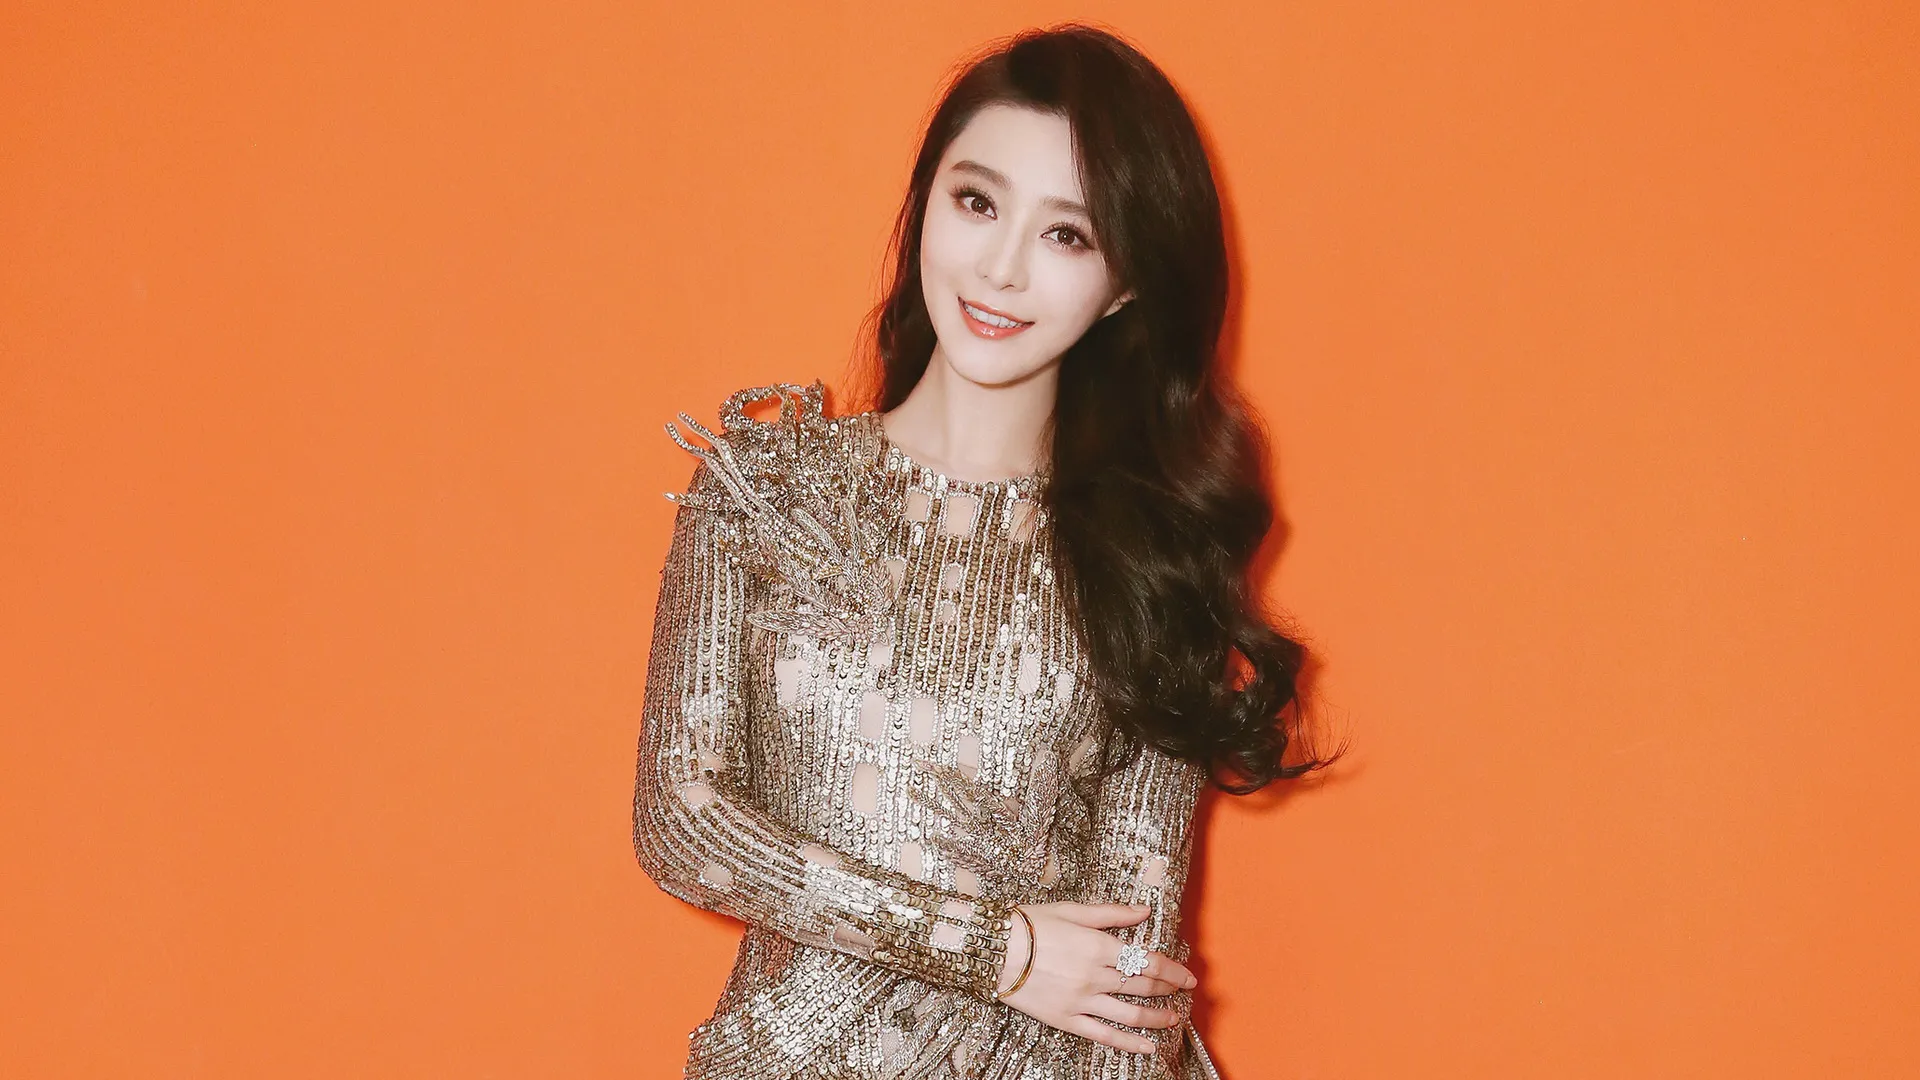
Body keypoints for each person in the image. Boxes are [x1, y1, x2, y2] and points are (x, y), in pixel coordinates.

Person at [631, 23, 1342, 1079]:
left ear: (1127, 283)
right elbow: (681, 821)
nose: (1002, 268)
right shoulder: (765, 489)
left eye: (1068, 236)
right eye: (977, 202)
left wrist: (1036, 974)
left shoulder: (1150, 557)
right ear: (926, 200)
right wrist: (998, 951)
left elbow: (1132, 972)